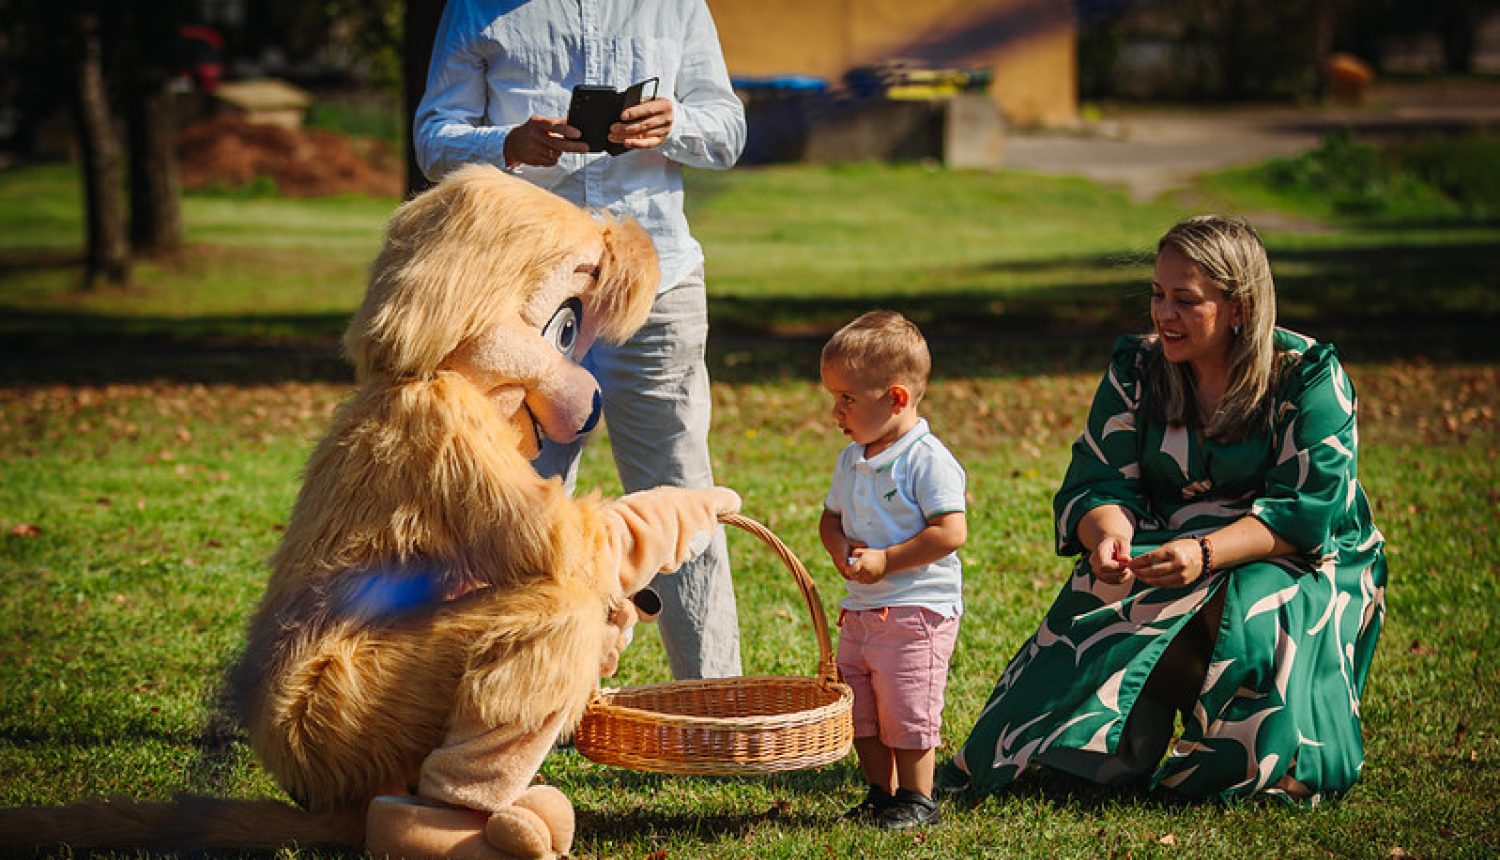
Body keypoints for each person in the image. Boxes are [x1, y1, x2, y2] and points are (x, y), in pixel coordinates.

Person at [941, 215, 1388, 804]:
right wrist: (1107, 536)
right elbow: (1100, 479)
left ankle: (1250, 761)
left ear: (1240, 307)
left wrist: (1204, 554)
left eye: (1186, 300)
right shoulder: (1137, 367)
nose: (1163, 315)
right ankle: (1101, 752)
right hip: (1171, 539)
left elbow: (1306, 513)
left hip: (1298, 554)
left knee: (1247, 599)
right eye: (1157, 294)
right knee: (1110, 584)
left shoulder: (1306, 376)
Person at [413, 0, 747, 679]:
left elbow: (728, 130)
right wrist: (503, 144)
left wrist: (675, 124)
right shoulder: (475, 7)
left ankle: (711, 700)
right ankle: (509, 698)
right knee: (518, 501)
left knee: (679, 488)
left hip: (656, 285)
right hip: (524, 292)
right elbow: (432, 138)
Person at [818, 311, 968, 829]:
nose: (835, 411)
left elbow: (950, 532)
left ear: (897, 398)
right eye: (834, 397)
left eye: (847, 399)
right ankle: (880, 793)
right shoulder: (851, 458)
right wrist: (839, 549)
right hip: (860, 611)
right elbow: (830, 518)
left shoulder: (925, 460)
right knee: (860, 711)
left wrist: (887, 560)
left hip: (915, 609)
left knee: (906, 708)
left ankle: (918, 797)